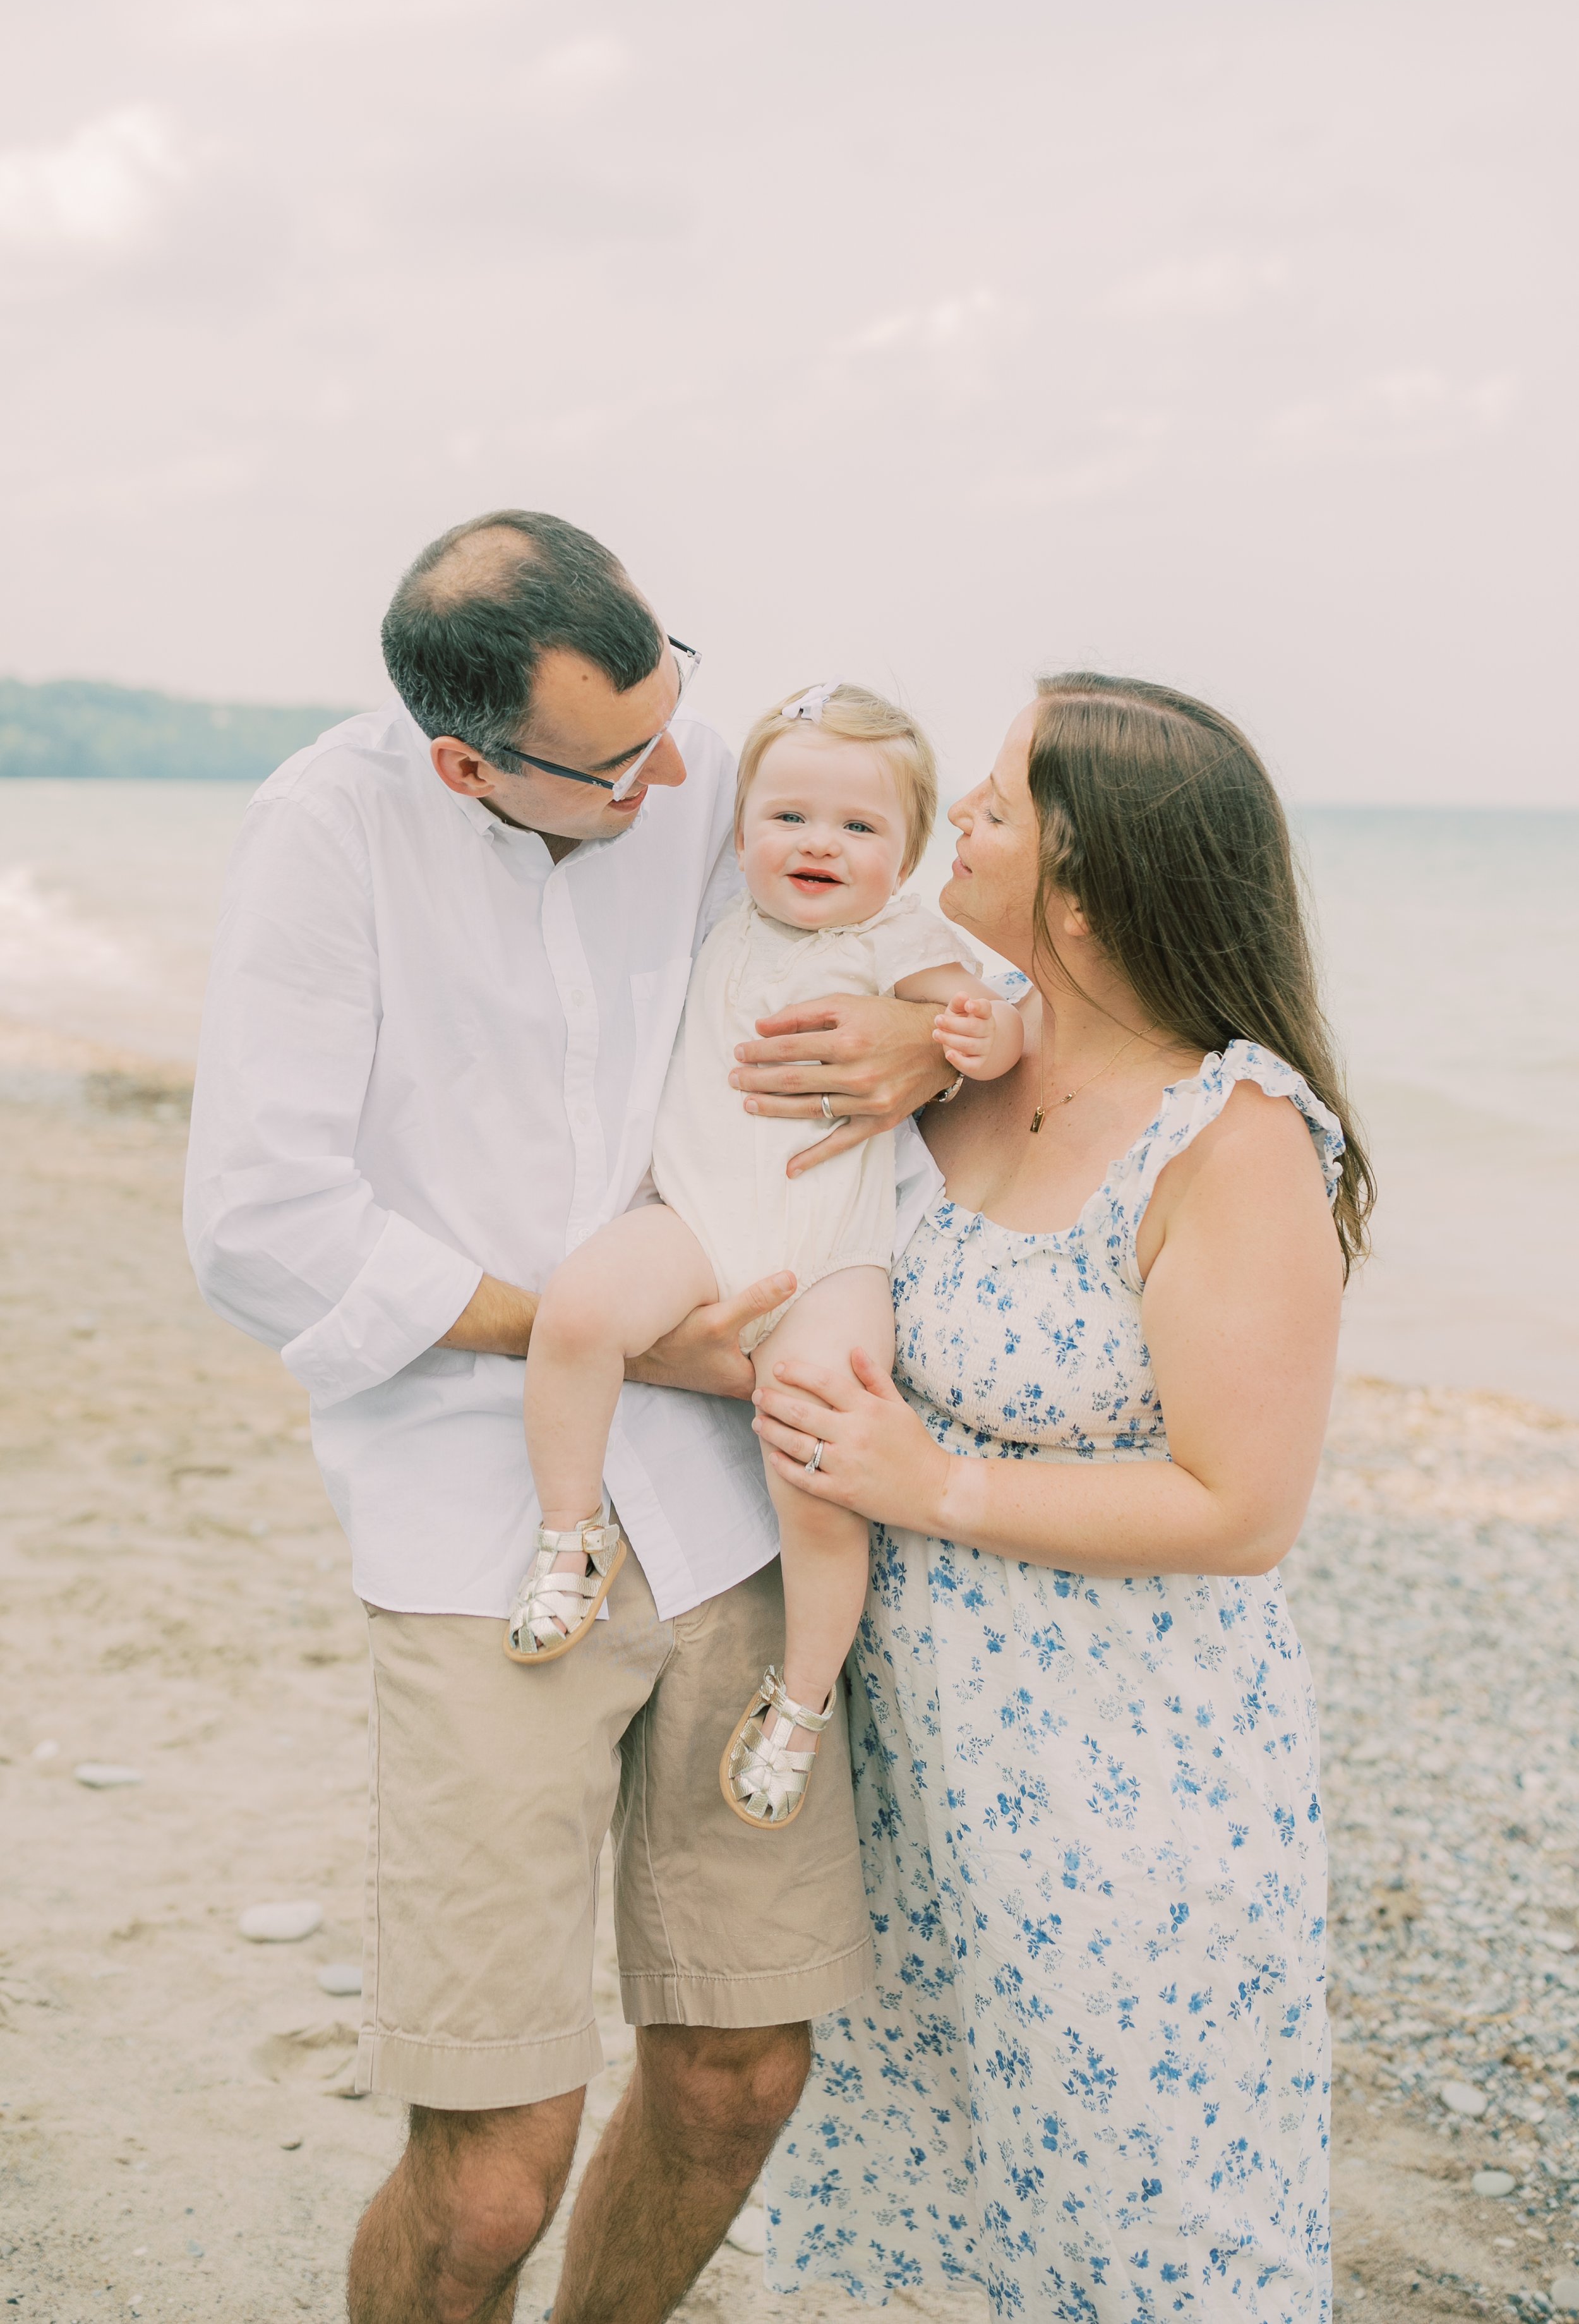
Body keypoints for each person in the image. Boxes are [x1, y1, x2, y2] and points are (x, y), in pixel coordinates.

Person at [183, 510, 959, 2324]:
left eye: (672, 703)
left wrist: (924, 1035)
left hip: (737, 1499)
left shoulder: (687, 762)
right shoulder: (324, 831)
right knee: (493, 2165)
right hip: (479, 1520)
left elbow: (928, 892)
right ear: (469, 760)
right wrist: (613, 1335)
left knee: (740, 2075)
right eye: (621, 760)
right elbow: (259, 1224)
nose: (676, 767)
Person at [753, 673, 1375, 2318]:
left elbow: (1240, 1504)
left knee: (1143, 2209)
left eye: (1001, 804)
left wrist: (927, 1475)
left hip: (1124, 1776)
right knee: (929, 2196)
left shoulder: (1225, 1138)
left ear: (1086, 885)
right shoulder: (948, 1070)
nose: (957, 814)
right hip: (914, 1758)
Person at [511, 678, 1022, 1836]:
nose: (817, 844)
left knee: (820, 1457)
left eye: (858, 827)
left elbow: (998, 1018)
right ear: (740, 829)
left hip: (832, 1256)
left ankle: (801, 1694)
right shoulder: (713, 918)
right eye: (788, 815)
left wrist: (979, 1037)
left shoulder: (902, 939)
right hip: (696, 1221)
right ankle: (569, 1531)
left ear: (906, 853)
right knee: (580, 1309)